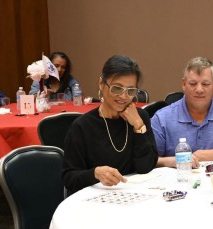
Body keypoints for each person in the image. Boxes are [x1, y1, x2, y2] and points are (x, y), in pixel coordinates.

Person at [62, 55, 158, 196]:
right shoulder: (82, 127)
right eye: (117, 88)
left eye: (131, 91)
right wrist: (95, 173)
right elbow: (69, 178)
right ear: (102, 84)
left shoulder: (139, 117)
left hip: (132, 195)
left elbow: (145, 167)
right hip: (94, 199)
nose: (124, 96)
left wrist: (138, 126)